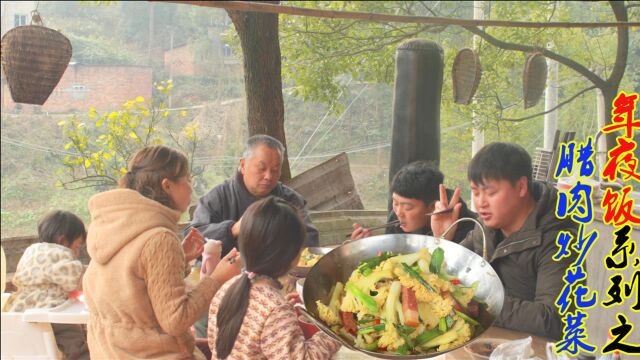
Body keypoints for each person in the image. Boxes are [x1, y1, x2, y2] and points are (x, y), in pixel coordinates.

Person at [82, 145, 242, 359]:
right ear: (167, 185)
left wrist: (179, 257)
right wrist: (217, 278)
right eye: (187, 180)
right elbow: (176, 320)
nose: (191, 188)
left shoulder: (112, 227)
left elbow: (132, 282)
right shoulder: (159, 239)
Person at [431, 142, 578, 341]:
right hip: (485, 342)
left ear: (521, 187)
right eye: (475, 192)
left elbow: (553, 319)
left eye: (491, 193)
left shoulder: (559, 240)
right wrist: (443, 240)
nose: (480, 202)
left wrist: (480, 304)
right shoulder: (486, 227)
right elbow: (447, 274)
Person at [208, 196, 341, 359]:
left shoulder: (228, 287)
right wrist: (334, 330)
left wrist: (283, 316)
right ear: (294, 254)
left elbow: (215, 344)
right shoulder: (275, 309)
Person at [186, 134, 319, 257]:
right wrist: (232, 229)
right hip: (225, 278)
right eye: (262, 168)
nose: (268, 176)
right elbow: (192, 238)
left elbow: (309, 240)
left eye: (275, 170)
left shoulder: (290, 200)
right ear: (243, 165)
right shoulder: (218, 198)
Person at [3, 210, 89, 360]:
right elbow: (80, 279)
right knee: (76, 343)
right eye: (77, 247)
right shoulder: (59, 254)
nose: (76, 254)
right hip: (47, 313)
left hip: (18, 311)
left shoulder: (30, 251)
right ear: (63, 241)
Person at [350, 161, 475, 242]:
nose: (399, 212)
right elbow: (392, 258)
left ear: (432, 207)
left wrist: (442, 240)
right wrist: (363, 247)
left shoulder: (465, 225)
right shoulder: (396, 219)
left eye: (408, 207)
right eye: (395, 203)